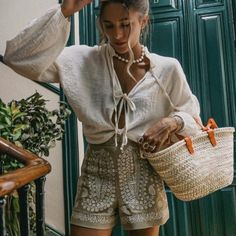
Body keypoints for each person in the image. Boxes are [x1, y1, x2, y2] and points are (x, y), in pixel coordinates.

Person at [3, 0, 202, 235]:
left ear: (143, 21)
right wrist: (64, 11)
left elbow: (192, 119)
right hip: (96, 172)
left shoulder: (168, 68)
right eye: (108, 25)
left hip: (144, 173)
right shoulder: (81, 60)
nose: (117, 34)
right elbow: (16, 57)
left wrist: (171, 122)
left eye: (126, 25)